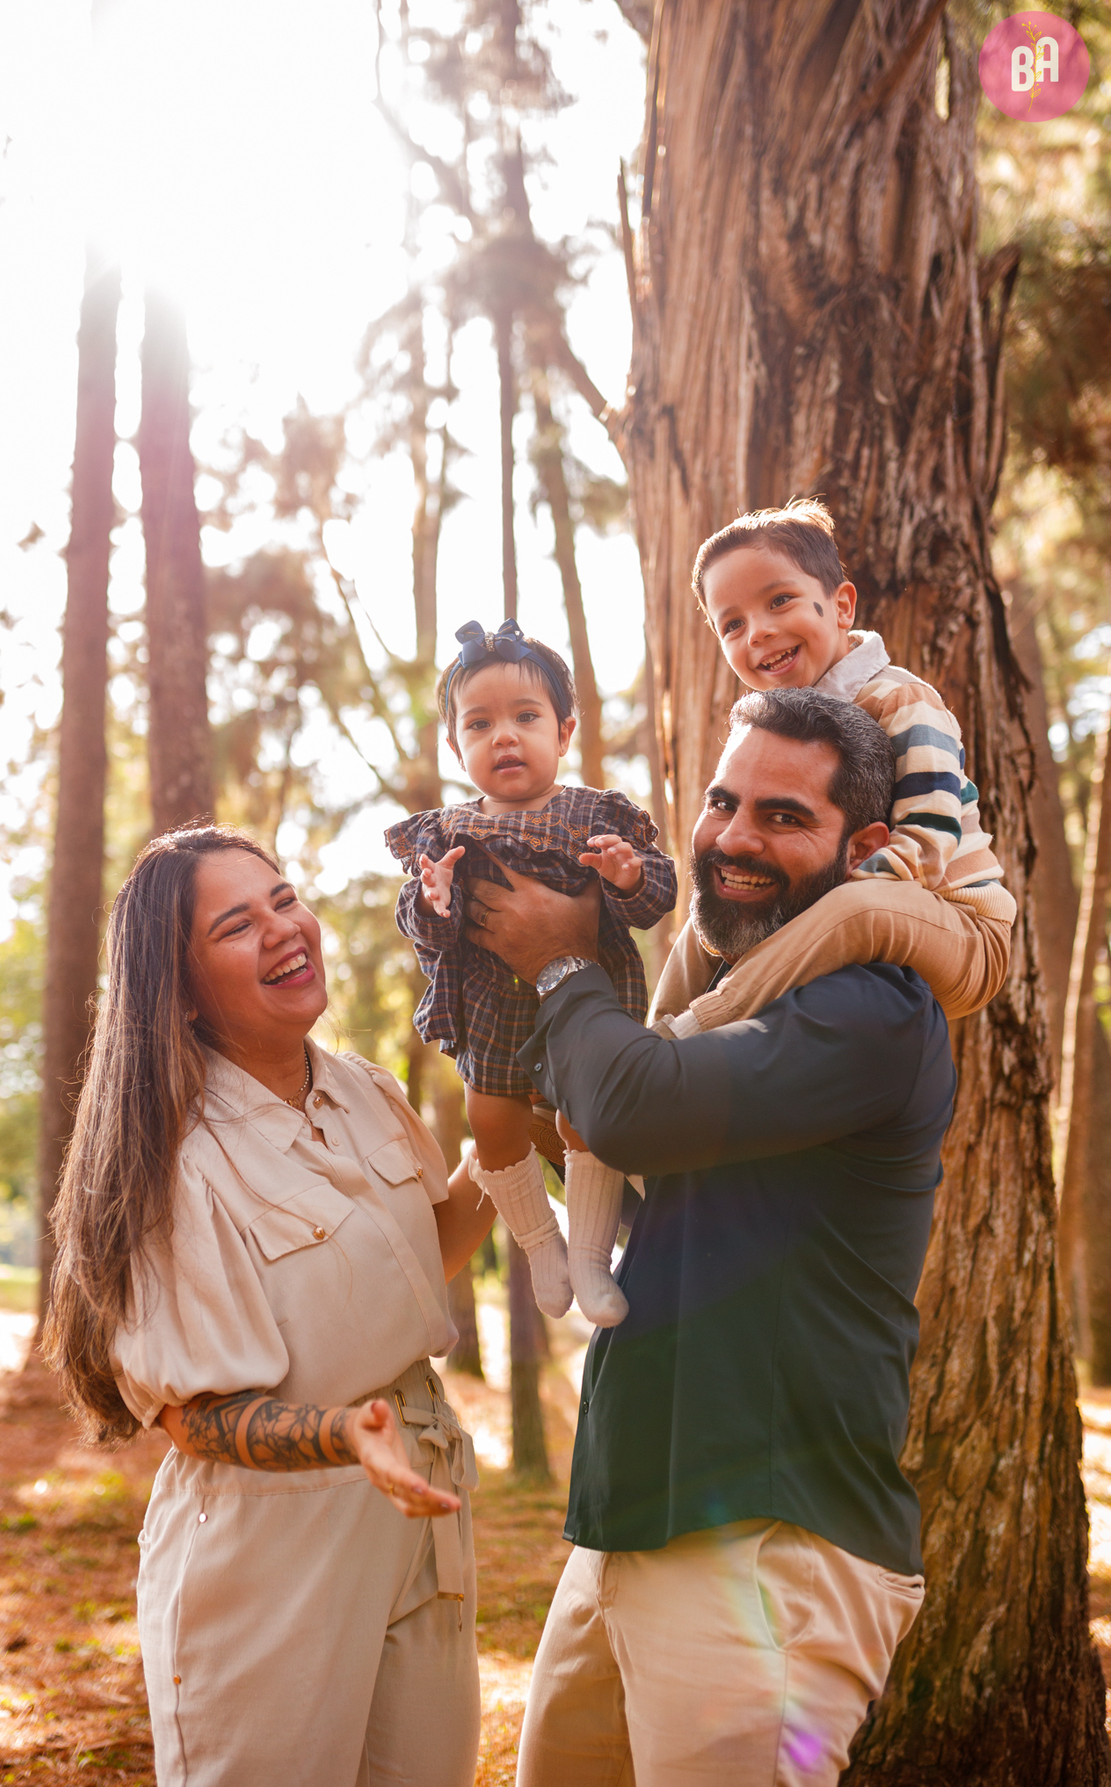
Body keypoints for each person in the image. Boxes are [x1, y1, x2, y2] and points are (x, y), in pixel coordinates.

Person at [465, 689, 957, 1786]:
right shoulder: (735, 999)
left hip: (769, 1548)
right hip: (634, 1522)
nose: (734, 838)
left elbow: (635, 1105)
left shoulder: (874, 1011)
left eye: (784, 817)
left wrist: (561, 964)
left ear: (863, 846)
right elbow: (624, 1147)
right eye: (724, 801)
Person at [43, 824, 497, 1787]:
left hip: (418, 1511)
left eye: (285, 900)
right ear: (184, 990)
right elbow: (193, 1416)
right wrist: (346, 1435)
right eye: (237, 926)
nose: (284, 931)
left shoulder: (365, 1092)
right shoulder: (175, 1159)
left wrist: (509, 1135)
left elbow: (421, 1260)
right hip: (274, 1547)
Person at [386, 618, 676, 1328]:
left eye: (526, 717)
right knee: (491, 1123)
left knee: (586, 1121)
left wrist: (629, 875)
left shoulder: (597, 816)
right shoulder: (445, 835)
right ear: (456, 746)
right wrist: (433, 900)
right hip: (493, 1014)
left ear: (565, 731)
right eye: (480, 724)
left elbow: (656, 901)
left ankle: (587, 1254)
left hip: (586, 1007)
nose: (504, 736)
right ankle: (541, 1245)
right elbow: (419, 925)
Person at [650, 500, 1016, 1039]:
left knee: (858, 908)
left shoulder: (901, 698)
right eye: (733, 624)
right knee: (711, 904)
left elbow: (932, 835)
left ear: (842, 606)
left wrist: (824, 900)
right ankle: (644, 1043)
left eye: (779, 600)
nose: (758, 632)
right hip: (857, 913)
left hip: (957, 926)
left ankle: (684, 1038)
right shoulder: (780, 730)